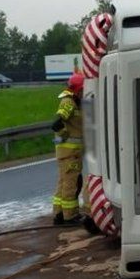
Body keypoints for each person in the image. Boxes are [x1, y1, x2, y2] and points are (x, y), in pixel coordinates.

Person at [51, 72, 86, 224]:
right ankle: (70, 216)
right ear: (78, 89)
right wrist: (64, 134)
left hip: (67, 152)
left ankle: (59, 215)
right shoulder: (69, 102)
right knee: (71, 184)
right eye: (82, 90)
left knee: (63, 183)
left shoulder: (73, 101)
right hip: (70, 152)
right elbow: (56, 123)